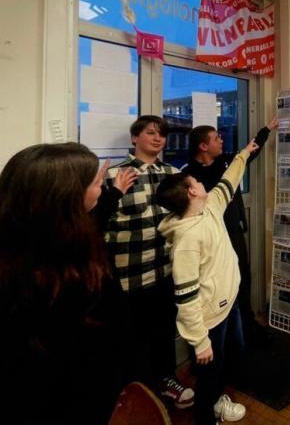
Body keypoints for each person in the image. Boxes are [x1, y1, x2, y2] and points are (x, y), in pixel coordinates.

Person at [0, 143, 131, 424]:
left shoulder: (19, 250)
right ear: (68, 198)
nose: (100, 188)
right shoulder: (79, 275)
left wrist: (114, 192)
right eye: (97, 183)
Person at [156, 139, 259, 425]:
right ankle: (207, 413)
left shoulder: (209, 207)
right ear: (192, 191)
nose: (202, 183)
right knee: (210, 372)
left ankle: (218, 399)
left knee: (227, 360)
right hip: (209, 318)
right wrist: (199, 341)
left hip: (229, 302)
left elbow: (228, 181)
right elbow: (186, 297)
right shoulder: (187, 239)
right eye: (196, 182)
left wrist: (245, 154)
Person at [103, 115, 194, 408]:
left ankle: (167, 381)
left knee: (164, 332)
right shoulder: (113, 176)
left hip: (165, 270)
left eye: (162, 135)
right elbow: (98, 224)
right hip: (127, 276)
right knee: (128, 340)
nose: (158, 139)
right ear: (134, 138)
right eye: (151, 133)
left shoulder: (173, 174)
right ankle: (135, 395)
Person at [183, 118, 279, 345]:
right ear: (203, 146)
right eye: (217, 138)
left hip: (233, 232)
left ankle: (247, 327)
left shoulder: (226, 163)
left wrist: (266, 130)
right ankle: (219, 338)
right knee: (217, 285)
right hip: (210, 240)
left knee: (242, 278)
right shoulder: (188, 176)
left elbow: (249, 152)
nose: (222, 140)